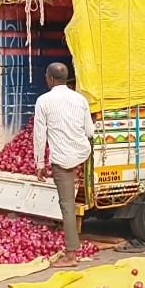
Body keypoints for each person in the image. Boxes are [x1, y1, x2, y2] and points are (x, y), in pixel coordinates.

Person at [33, 62, 94, 268]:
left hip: (63, 159)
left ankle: (71, 254)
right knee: (74, 200)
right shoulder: (80, 99)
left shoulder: (43, 101)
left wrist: (39, 163)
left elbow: (39, 135)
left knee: (67, 205)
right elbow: (90, 132)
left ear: (49, 79)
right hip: (83, 155)